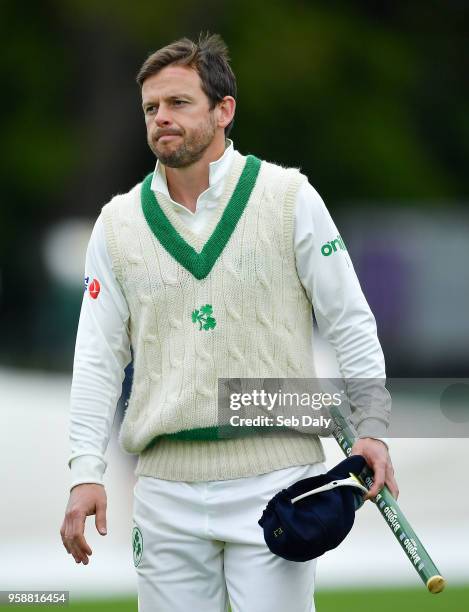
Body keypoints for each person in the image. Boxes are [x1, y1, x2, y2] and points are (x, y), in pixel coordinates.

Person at [60, 32, 399, 612]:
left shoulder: (288, 197)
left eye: (178, 103)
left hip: (276, 478)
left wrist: (371, 423)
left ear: (223, 111)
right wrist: (85, 471)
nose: (161, 118)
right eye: (150, 108)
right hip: (165, 488)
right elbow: (96, 356)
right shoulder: (116, 225)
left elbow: (349, 320)